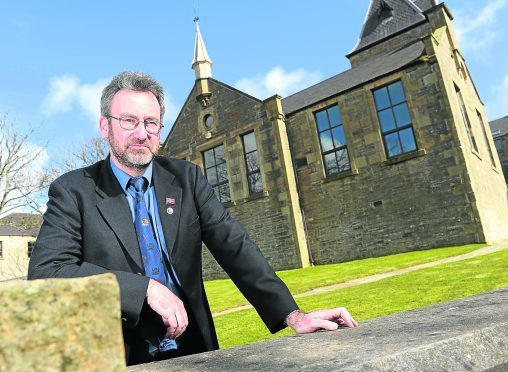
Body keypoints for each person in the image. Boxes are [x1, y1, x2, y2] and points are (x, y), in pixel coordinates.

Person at [28, 71, 357, 365]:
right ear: (105, 125)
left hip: (195, 351)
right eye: (128, 121)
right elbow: (48, 271)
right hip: (120, 356)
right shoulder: (72, 191)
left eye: (151, 122)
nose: (141, 133)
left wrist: (293, 315)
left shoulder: (187, 178)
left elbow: (234, 246)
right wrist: (144, 289)